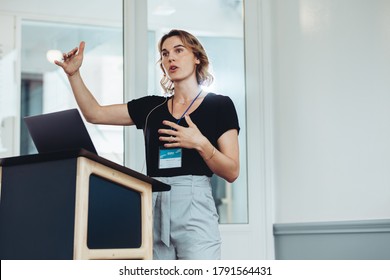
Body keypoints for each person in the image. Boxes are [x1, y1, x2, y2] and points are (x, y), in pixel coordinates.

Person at [55, 29, 240, 260]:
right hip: (152, 203)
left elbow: (232, 171)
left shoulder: (219, 105)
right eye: (164, 54)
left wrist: (201, 143)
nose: (170, 58)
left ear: (197, 58)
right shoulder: (151, 108)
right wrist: (74, 75)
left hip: (195, 205)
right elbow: (95, 113)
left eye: (179, 50)